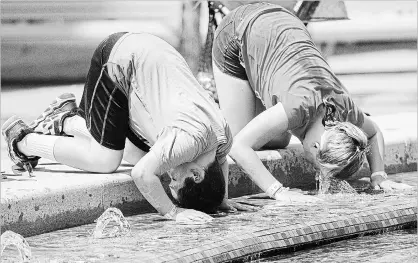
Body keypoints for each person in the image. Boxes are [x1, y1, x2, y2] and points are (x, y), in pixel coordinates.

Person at [2, 32, 255, 224]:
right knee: (105, 160)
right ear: (197, 174)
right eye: (176, 181)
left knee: (134, 155)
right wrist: (172, 212)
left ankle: (66, 120)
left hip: (147, 52)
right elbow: (142, 176)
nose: (169, 179)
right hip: (117, 60)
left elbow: (221, 160)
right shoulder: (189, 139)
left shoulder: (220, 135)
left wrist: (221, 200)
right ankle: (22, 140)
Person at [211, 2, 412, 200]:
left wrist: (378, 176)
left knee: (280, 139)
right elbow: (239, 147)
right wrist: (278, 191)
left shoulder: (345, 110)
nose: (320, 174)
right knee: (236, 138)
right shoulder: (295, 109)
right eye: (319, 167)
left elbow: (373, 132)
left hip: (284, 22)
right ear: (316, 147)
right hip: (237, 30)